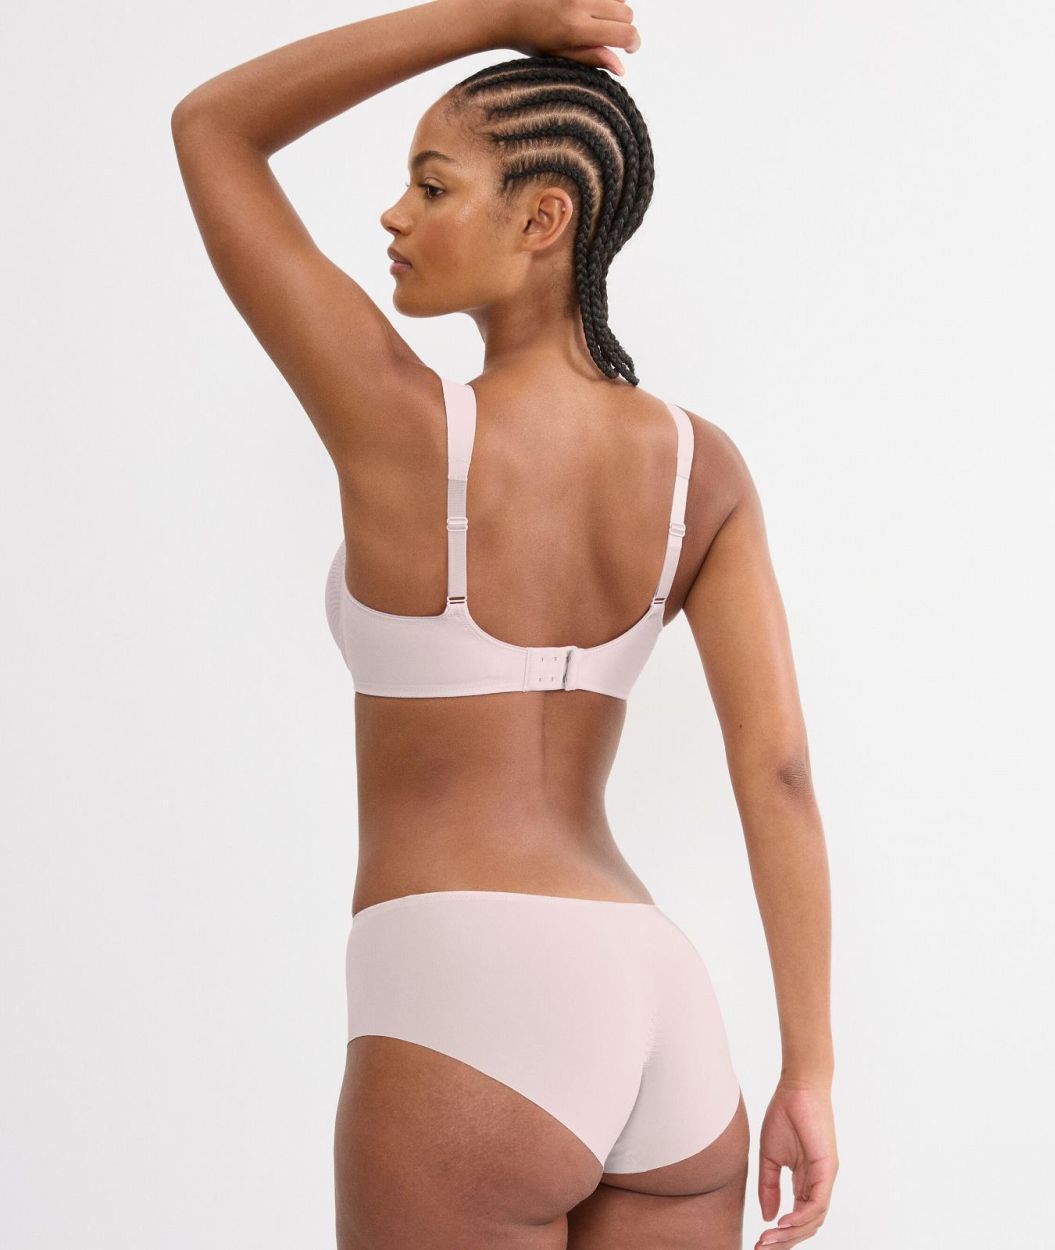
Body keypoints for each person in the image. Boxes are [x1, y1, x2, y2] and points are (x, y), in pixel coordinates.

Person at [171, 2, 837, 1246]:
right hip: (666, 1017)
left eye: (432, 185)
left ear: (544, 219)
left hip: (468, 994)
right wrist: (809, 1068)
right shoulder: (703, 470)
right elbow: (782, 770)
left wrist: (493, 14)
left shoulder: (401, 428)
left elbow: (212, 129)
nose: (393, 215)